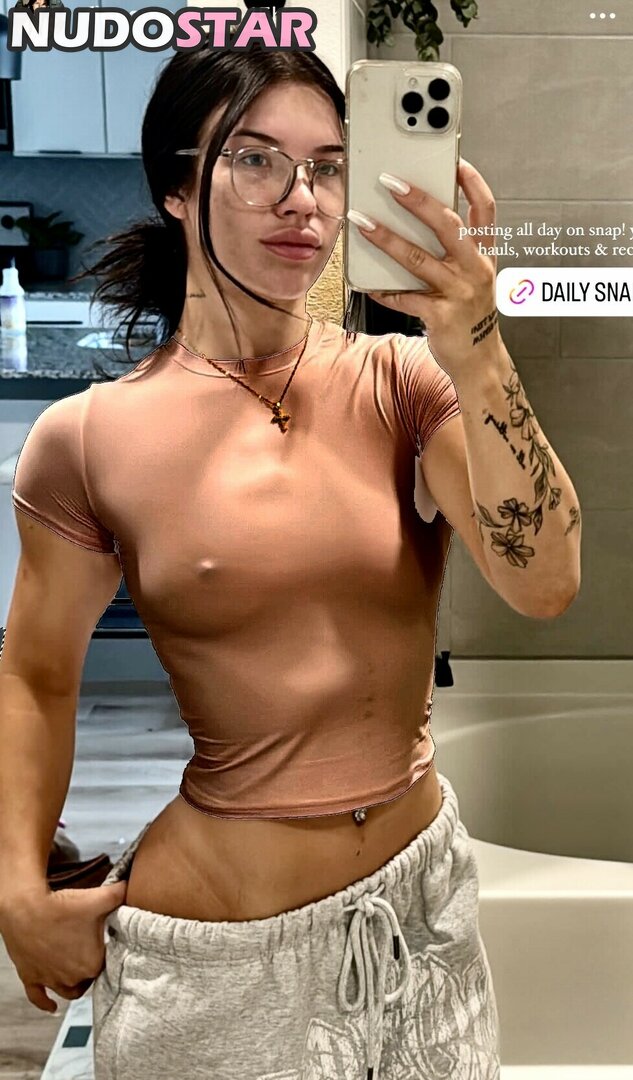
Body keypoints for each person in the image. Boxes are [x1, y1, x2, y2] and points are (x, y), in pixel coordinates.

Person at [0, 41, 580, 1080]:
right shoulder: (88, 439)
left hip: (423, 933)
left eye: (326, 167)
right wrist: (16, 889)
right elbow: (37, 677)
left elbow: (544, 582)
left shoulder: (404, 385)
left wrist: (476, 343)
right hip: (225, 967)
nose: (300, 198)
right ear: (178, 188)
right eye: (255, 159)